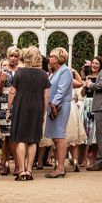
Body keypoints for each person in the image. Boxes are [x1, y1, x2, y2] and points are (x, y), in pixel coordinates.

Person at [8, 46, 50, 181]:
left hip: (21, 106)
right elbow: (46, 95)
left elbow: (12, 92)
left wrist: (9, 109)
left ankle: (21, 170)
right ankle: (30, 170)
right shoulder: (43, 74)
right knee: (33, 139)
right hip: (37, 106)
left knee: (20, 138)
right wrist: (43, 112)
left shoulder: (19, 72)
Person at [41, 47, 73, 178]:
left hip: (59, 106)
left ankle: (60, 168)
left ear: (58, 58)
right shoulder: (56, 71)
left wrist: (54, 104)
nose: (49, 58)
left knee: (59, 137)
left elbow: (62, 90)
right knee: (55, 137)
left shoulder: (65, 71)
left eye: (51, 56)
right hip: (54, 106)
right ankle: (59, 166)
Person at [0, 47, 20, 175]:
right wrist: (2, 83)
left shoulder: (21, 71)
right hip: (4, 106)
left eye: (16, 56)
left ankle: (12, 164)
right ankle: (9, 164)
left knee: (13, 137)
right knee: (7, 137)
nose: (13, 59)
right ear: (7, 56)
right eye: (11, 56)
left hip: (17, 105)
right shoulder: (0, 71)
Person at [80, 56, 102, 168]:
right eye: (93, 63)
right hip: (87, 105)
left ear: (100, 66)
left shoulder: (101, 77)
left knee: (94, 133)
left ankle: (93, 160)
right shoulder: (87, 77)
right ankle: (83, 159)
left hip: (97, 104)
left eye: (96, 63)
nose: (94, 65)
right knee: (86, 132)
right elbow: (83, 94)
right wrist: (85, 86)